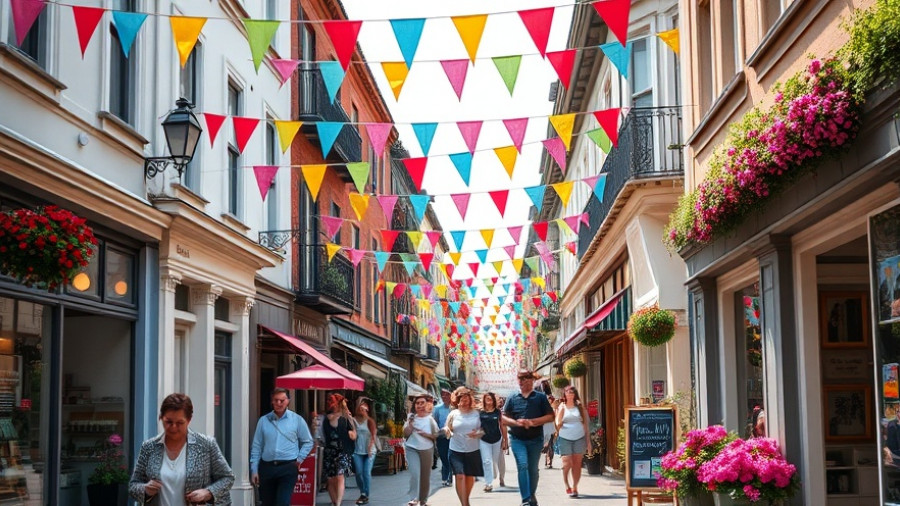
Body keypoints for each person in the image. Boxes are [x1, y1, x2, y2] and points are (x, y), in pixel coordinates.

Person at [129, 393, 234, 504]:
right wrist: (145, 490)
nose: (174, 427)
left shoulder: (206, 445)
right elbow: (134, 485)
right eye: (168, 422)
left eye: (179, 423)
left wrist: (208, 493)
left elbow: (227, 478)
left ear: (189, 420)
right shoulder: (149, 447)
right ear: (161, 418)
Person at [249, 388, 315, 506]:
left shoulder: (297, 420)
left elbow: (308, 441)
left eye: (282, 400)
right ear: (272, 401)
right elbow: (257, 446)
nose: (279, 403)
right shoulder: (264, 421)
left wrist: (300, 459)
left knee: (283, 502)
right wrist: (254, 469)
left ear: (288, 401)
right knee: (267, 502)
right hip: (267, 467)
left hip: (288, 467)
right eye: (276, 400)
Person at [502, 370, 554, 506]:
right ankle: (525, 499)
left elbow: (551, 416)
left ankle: (531, 495)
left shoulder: (540, 397)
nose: (522, 381)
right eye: (520, 378)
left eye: (525, 378)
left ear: (531, 380)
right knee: (523, 465)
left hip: (535, 439)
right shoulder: (512, 397)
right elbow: (503, 418)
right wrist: (516, 422)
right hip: (517, 439)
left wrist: (533, 422)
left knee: (533, 470)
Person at [445, 387, 484, 506]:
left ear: (470, 399)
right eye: (461, 397)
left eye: (467, 397)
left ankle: (465, 500)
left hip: (473, 450)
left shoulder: (477, 413)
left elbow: (483, 430)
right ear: (457, 399)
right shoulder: (453, 414)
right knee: (460, 476)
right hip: (456, 450)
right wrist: (447, 431)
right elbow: (447, 427)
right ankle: (465, 504)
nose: (464, 400)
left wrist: (477, 434)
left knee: (469, 477)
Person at [555, 386, 591, 498]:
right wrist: (559, 419)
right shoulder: (561, 407)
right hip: (565, 437)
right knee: (567, 463)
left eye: (572, 392)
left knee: (577, 464)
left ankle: (575, 487)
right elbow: (557, 423)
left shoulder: (580, 407)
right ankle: (566, 484)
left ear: (575, 394)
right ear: (564, 394)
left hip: (579, 438)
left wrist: (588, 441)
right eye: (567, 392)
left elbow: (586, 426)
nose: (570, 394)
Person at [404, 394, 440, 506]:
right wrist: (410, 425)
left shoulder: (430, 420)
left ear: (426, 404)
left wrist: (425, 434)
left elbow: (435, 435)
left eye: (422, 403)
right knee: (415, 473)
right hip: (412, 448)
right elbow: (405, 434)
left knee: (425, 476)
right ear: (415, 406)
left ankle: (423, 500)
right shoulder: (411, 417)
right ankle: (414, 497)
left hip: (427, 449)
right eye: (417, 403)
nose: (420, 405)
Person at [322, 393, 357, 506]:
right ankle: (334, 501)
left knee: (340, 476)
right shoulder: (325, 419)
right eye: (328, 400)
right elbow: (320, 436)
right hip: (329, 451)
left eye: (332, 400)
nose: (329, 403)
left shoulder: (346, 418)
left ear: (338, 403)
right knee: (330, 479)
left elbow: (354, 434)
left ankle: (338, 503)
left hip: (342, 451)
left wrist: (351, 434)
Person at [479, 392, 507, 491]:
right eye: (487, 399)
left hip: (496, 439)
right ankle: (488, 484)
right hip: (484, 440)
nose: (489, 401)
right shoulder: (480, 412)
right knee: (487, 461)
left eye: (490, 399)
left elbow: (502, 426)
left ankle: (500, 477)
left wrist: (505, 440)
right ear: (484, 400)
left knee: (495, 461)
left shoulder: (497, 412)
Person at [352, 398, 377, 505]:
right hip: (357, 451)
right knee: (358, 473)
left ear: (367, 410)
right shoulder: (354, 420)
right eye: (360, 408)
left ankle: (365, 494)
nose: (361, 410)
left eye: (363, 408)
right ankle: (362, 491)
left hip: (369, 451)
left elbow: (373, 435)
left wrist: (370, 447)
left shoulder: (370, 421)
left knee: (366, 472)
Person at [432, 388, 453, 487]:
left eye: (447, 394)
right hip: (441, 437)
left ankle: (448, 478)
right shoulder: (437, 408)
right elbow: (434, 422)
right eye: (442, 395)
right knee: (444, 458)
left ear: (451, 395)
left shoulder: (454, 408)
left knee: (450, 457)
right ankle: (445, 477)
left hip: (453, 437)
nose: (444, 397)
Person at [543, 396, 559, 469]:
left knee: (550, 446)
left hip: (551, 430)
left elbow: (554, 421)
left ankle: (549, 461)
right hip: (545, 430)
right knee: (547, 446)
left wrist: (556, 430)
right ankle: (547, 460)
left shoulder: (552, 410)